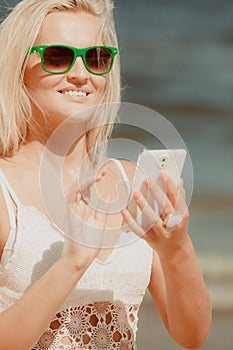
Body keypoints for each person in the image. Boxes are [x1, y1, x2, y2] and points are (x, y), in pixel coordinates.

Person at [0, 0, 211, 349]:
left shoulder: (131, 182)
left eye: (96, 57)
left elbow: (192, 334)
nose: (81, 74)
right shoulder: (5, 190)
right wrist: (71, 264)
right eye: (58, 56)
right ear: (17, 66)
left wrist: (177, 251)